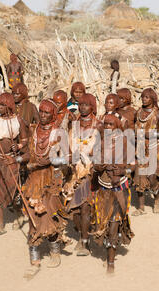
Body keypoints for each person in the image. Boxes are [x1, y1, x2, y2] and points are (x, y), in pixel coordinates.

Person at [16, 100, 70, 279]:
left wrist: (50, 161)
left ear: (53, 115)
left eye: (47, 113)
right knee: (33, 216)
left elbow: (67, 159)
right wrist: (18, 160)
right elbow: (28, 154)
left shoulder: (58, 132)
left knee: (49, 215)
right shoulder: (33, 130)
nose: (43, 115)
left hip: (51, 180)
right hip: (33, 180)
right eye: (41, 112)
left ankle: (55, 250)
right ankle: (35, 256)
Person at [91, 113, 134, 274]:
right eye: (106, 125)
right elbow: (95, 165)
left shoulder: (125, 142)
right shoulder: (100, 143)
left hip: (119, 188)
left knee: (114, 223)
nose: (108, 127)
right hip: (103, 188)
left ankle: (110, 262)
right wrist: (99, 166)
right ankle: (108, 249)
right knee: (104, 223)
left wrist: (123, 170)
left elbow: (134, 166)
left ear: (116, 126)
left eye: (111, 125)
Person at [0, 93, 28, 236]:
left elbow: (26, 140)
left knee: (12, 191)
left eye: (2, 105)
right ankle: (0, 225)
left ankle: (20, 215)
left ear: (9, 105)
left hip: (10, 160)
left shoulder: (17, 120)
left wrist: (18, 146)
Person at [65, 94, 103, 256]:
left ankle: (85, 241)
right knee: (73, 210)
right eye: (80, 105)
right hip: (74, 172)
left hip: (90, 171)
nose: (83, 108)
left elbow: (104, 147)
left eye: (86, 105)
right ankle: (83, 234)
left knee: (86, 207)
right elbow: (67, 145)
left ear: (92, 107)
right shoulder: (74, 125)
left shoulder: (98, 125)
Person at [132, 88, 159, 215]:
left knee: (152, 177)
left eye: (146, 97)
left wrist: (152, 134)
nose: (144, 99)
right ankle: (141, 207)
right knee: (139, 177)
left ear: (152, 99)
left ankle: (157, 198)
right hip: (139, 148)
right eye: (142, 97)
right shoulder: (138, 112)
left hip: (153, 148)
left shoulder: (158, 114)